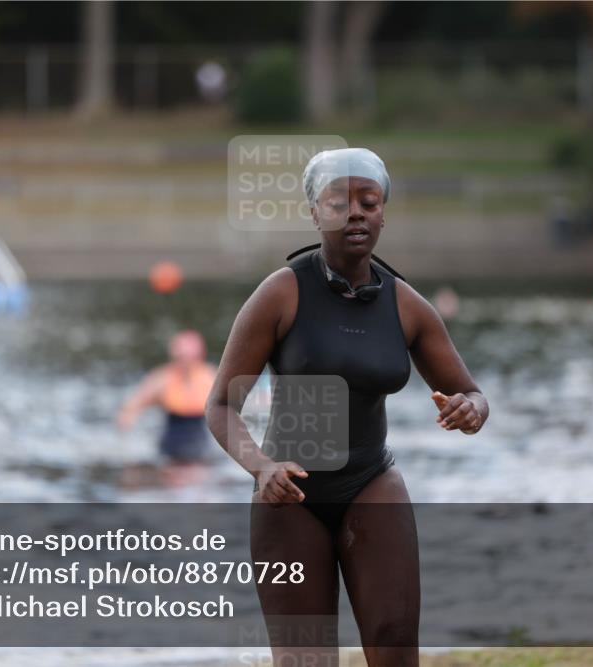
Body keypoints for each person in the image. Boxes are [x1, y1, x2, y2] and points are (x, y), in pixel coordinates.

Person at [205, 148, 489, 666]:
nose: (355, 211)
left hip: (370, 480)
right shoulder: (282, 293)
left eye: (368, 201)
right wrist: (260, 466)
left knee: (396, 641)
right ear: (315, 212)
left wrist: (470, 409)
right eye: (338, 201)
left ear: (383, 212)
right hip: (291, 493)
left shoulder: (405, 304)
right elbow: (221, 404)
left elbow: (472, 392)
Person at [117, 330, 217, 487]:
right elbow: (135, 404)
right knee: (174, 482)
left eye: (188, 357)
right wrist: (128, 419)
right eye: (180, 357)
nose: (184, 361)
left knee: (200, 481)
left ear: (198, 356)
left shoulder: (210, 378)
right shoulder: (162, 380)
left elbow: (231, 403)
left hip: (200, 445)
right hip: (170, 446)